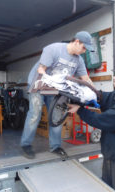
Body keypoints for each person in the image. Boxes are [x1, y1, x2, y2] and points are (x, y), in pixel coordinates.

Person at [68, 65, 115, 192]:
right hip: (109, 155)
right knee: (107, 188)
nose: (114, 77)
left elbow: (103, 121)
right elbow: (100, 97)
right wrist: (80, 94)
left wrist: (80, 110)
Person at [20, 31, 94, 159]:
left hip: (56, 88)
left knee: (57, 115)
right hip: (38, 83)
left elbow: (85, 78)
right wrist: (50, 80)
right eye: (83, 48)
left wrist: (95, 92)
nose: (84, 51)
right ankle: (26, 145)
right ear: (76, 42)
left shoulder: (79, 60)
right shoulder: (53, 49)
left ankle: (55, 146)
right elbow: (41, 70)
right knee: (35, 114)